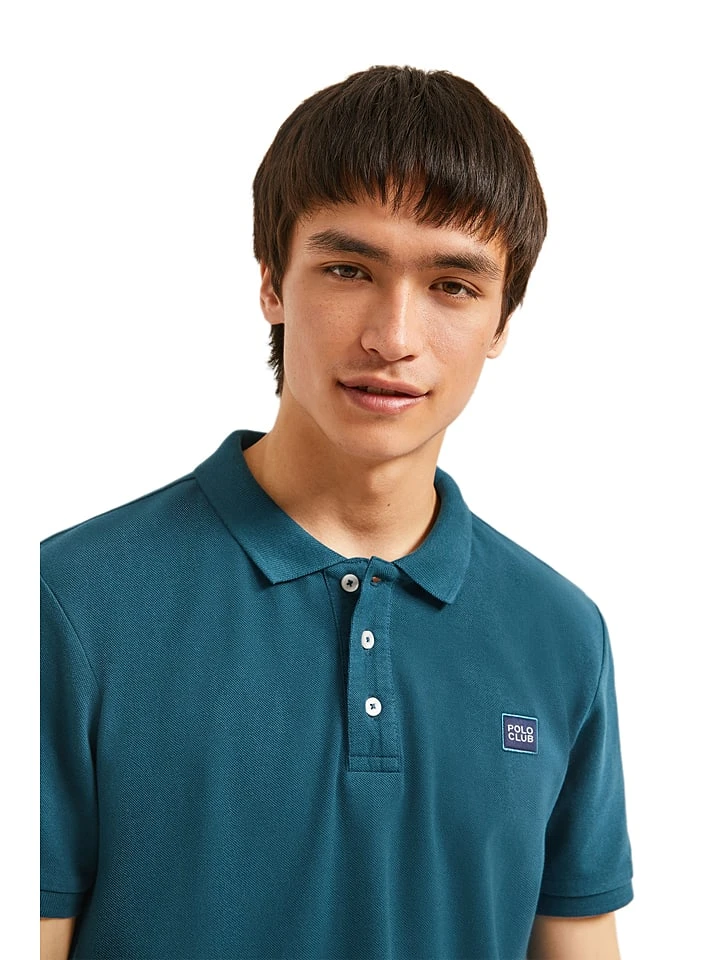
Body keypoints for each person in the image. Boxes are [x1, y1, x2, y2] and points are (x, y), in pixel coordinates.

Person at [41, 65, 633, 960]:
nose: (393, 337)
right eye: (349, 269)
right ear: (272, 282)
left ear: (503, 320)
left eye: (453, 285)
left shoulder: (561, 635)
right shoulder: (71, 603)